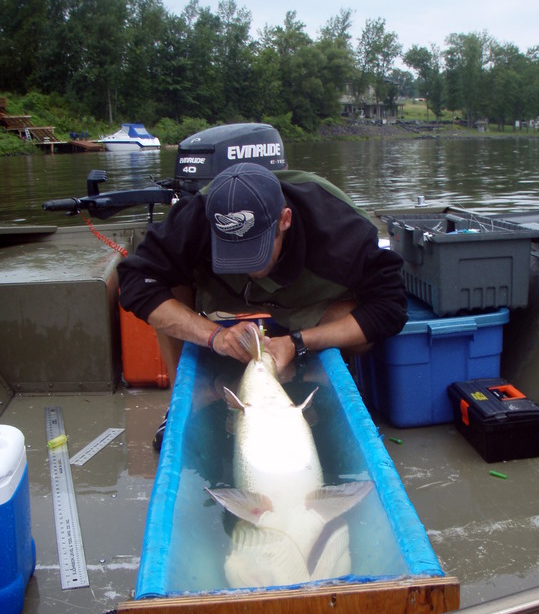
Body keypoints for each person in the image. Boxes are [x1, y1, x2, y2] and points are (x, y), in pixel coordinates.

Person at [117, 162, 408, 449]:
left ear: (285, 219)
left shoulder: (340, 228)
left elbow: (390, 306)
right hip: (222, 292)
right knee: (163, 283)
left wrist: (297, 343)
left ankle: (313, 383)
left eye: (255, 250)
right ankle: (184, 401)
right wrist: (215, 335)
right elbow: (136, 279)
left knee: (358, 326)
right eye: (233, 251)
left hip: (305, 299)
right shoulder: (197, 215)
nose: (246, 264)